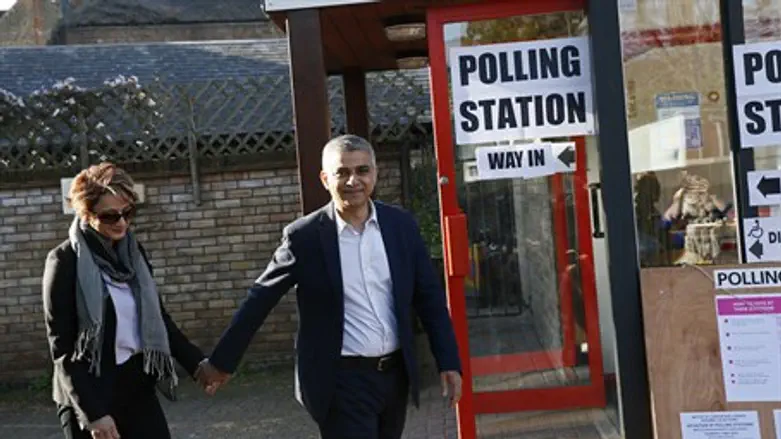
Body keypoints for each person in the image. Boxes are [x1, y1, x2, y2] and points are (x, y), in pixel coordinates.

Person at [198, 134, 463, 439]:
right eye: (342, 172)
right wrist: (222, 362)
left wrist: (448, 361)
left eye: (362, 170)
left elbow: (428, 297)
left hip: (394, 377)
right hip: (340, 382)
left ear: (375, 174)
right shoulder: (305, 237)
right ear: (325, 179)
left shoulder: (400, 226)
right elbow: (260, 299)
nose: (354, 181)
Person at [42, 163, 211, 439]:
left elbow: (158, 317)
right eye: (110, 216)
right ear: (87, 214)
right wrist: (93, 414)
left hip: (135, 386)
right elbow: (62, 349)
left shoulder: (133, 255)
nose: (121, 222)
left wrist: (197, 364)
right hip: (89, 392)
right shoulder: (64, 262)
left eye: (127, 212)